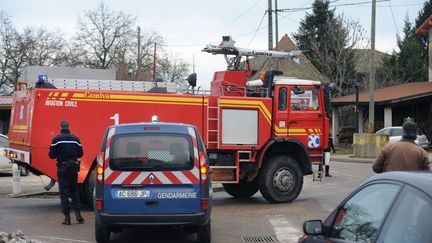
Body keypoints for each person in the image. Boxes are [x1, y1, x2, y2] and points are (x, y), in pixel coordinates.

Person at [49, 120, 84, 225]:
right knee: (74, 191)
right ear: (68, 127)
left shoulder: (56, 140)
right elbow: (81, 154)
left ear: (60, 127)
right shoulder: (76, 139)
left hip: (62, 168)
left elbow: (51, 155)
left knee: (64, 193)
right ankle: (78, 214)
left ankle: (67, 218)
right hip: (73, 168)